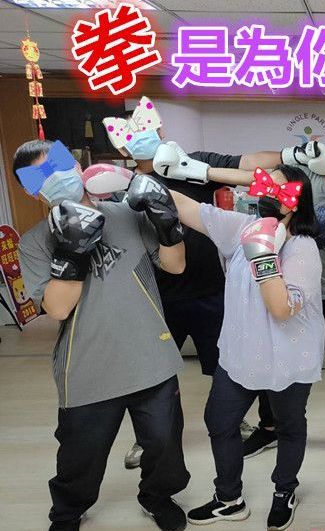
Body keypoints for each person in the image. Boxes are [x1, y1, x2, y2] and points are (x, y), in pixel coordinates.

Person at [155, 119, 325, 465]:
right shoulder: (305, 178)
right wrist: (194, 170)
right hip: (273, 287)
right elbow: (253, 178)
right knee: (266, 360)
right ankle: (270, 427)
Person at [14, 139, 190, 531]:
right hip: (87, 366)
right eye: (40, 174)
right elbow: (57, 309)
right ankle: (67, 512)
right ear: (31, 190)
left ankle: (157, 497)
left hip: (151, 355)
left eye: (58, 164)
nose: (55, 176)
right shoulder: (35, 242)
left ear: (77, 165)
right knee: (81, 455)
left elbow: (175, 266)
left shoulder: (126, 214)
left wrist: (168, 222)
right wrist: (72, 251)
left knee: (164, 445)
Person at [104, 97, 274, 468]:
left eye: (148, 128)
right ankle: (147, 438)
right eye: (132, 135)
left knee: (229, 362)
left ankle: (235, 418)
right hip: (155, 296)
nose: (143, 136)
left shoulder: (192, 164)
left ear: (161, 129)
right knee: (151, 372)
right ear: (121, 148)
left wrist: (293, 154)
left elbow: (253, 164)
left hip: (211, 290)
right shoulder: (122, 187)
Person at [169, 164, 323, 531]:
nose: (269, 193)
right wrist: (138, 178)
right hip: (240, 350)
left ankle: (285, 490)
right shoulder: (242, 227)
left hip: (288, 357)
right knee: (219, 421)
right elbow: (186, 208)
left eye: (279, 189)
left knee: (288, 426)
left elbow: (282, 309)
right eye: (266, 185)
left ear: (296, 202)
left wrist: (263, 256)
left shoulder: (303, 248)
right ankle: (229, 498)